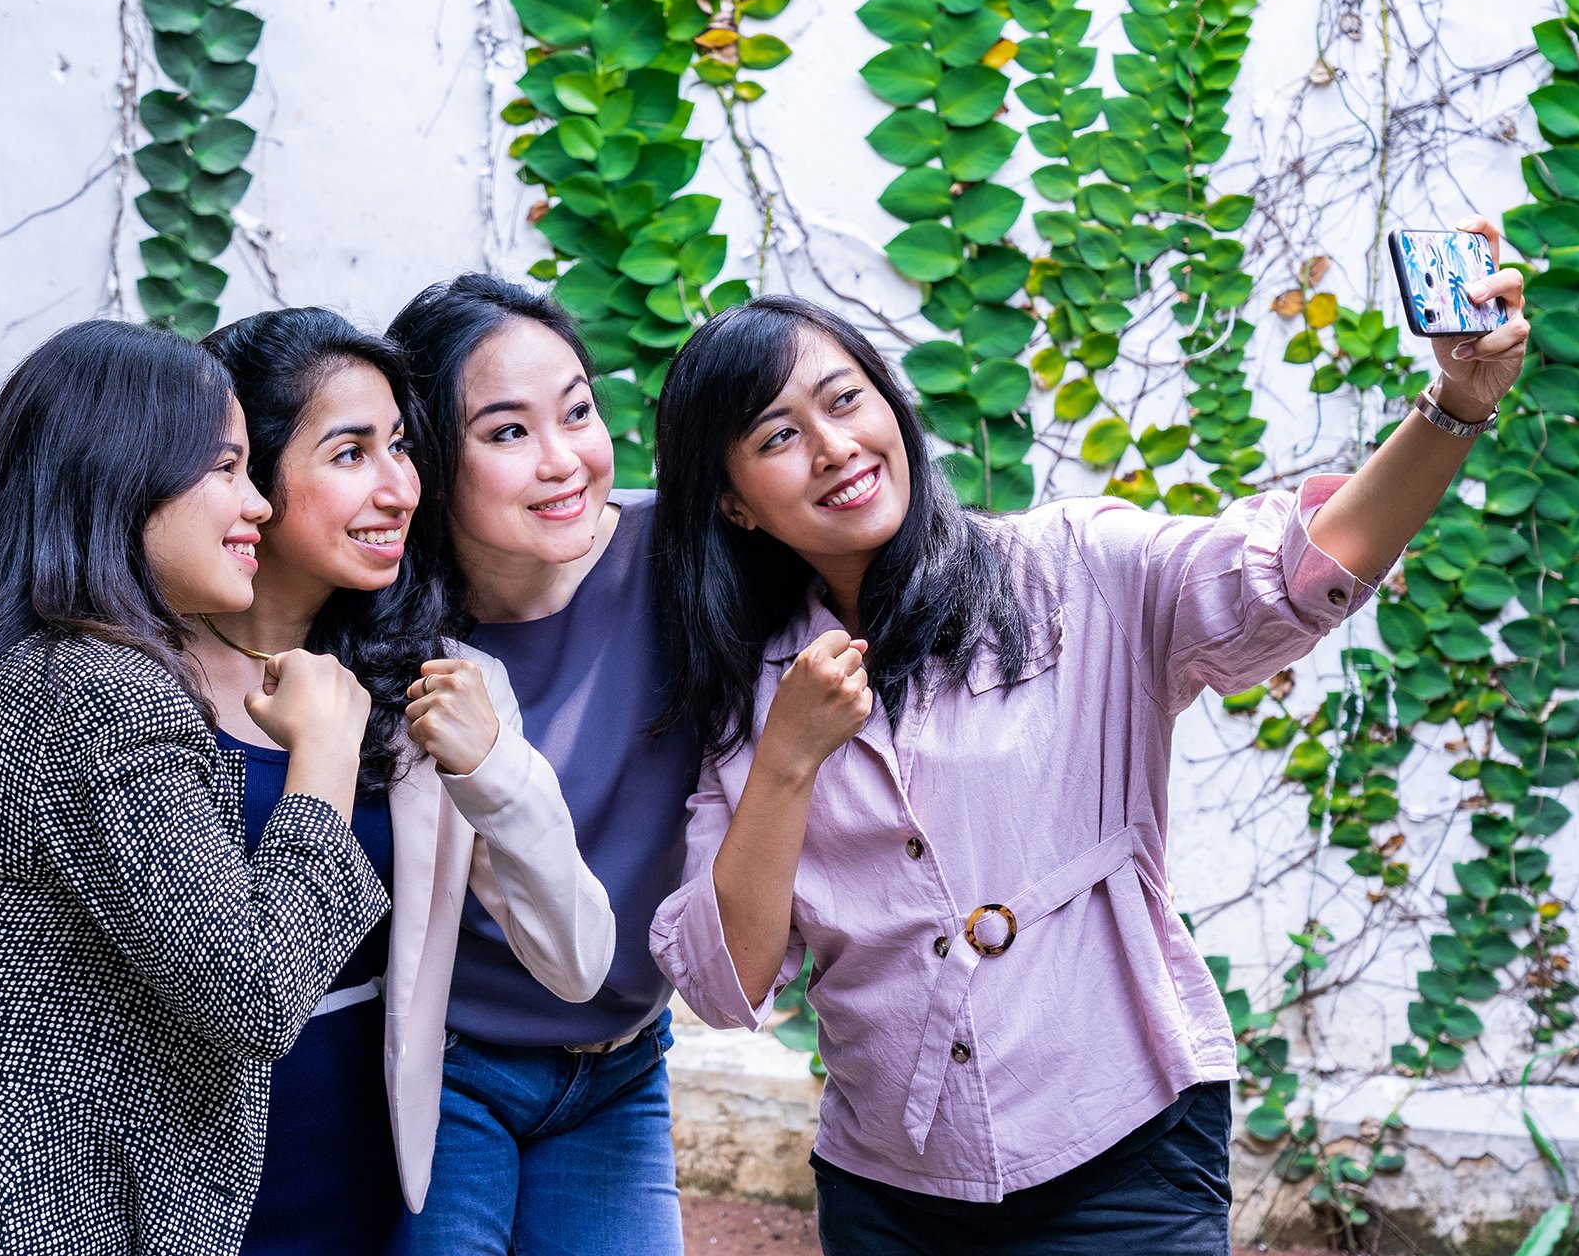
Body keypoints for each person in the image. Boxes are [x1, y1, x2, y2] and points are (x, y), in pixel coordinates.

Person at [647, 218, 1530, 1253]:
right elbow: (726, 979)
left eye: (845, 400)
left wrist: (1453, 408)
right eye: (776, 435)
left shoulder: (1072, 569)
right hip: (890, 1180)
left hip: (1123, 1146)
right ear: (735, 503)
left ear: (890, 404)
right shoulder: (745, 693)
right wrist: (789, 759)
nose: (834, 445)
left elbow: (1297, 570)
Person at [0, 309, 616, 1256]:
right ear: (125, 480)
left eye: (403, 447)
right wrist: (324, 762)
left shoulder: (419, 683)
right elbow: (239, 987)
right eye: (229, 470)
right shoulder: (108, 684)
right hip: (46, 1197)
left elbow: (19, 906)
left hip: (297, 1161)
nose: (250, 500)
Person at [384, 274, 700, 1255]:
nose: (564, 460)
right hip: (449, 1065)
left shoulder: (681, 559)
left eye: (577, 410)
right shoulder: (395, 627)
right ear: (432, 458)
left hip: (620, 1063)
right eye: (508, 431)